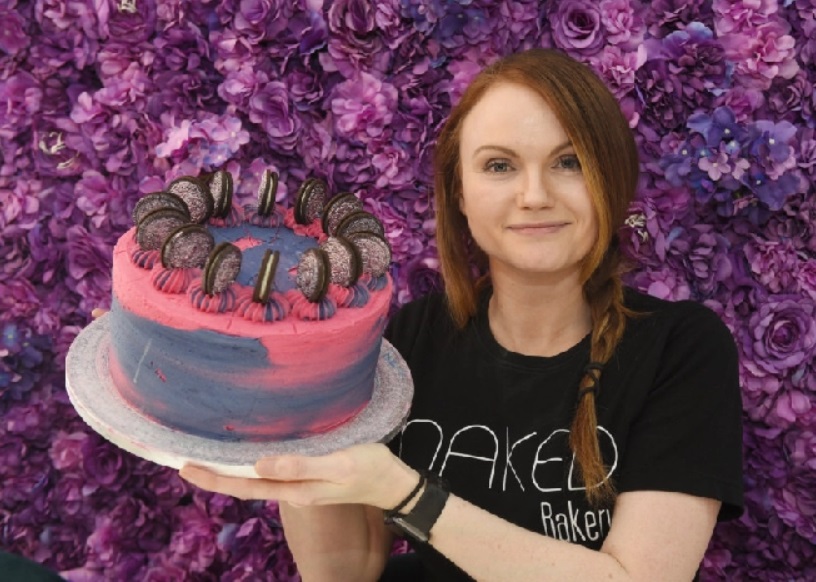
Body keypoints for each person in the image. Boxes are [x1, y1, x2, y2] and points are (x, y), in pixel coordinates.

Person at [179, 48, 744, 581]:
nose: (534, 195)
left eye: (568, 162)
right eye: (499, 165)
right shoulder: (408, 344)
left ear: (611, 180)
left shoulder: (679, 349)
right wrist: (295, 414)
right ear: (460, 194)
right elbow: (345, 572)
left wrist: (407, 494)